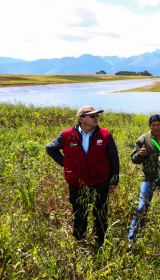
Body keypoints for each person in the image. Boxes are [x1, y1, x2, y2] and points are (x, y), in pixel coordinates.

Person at [45, 106, 120, 248]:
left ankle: (100, 243)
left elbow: (114, 158)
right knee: (79, 213)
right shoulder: (66, 135)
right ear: (80, 119)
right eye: (92, 116)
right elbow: (50, 148)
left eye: (96, 115)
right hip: (77, 182)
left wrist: (114, 179)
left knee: (101, 213)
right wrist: (66, 164)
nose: (95, 118)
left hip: (101, 181)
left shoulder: (105, 134)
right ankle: (80, 242)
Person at [128, 115, 160, 247]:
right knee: (142, 206)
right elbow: (134, 159)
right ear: (149, 126)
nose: (156, 127)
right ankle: (132, 239)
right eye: (153, 125)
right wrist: (141, 154)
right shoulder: (144, 138)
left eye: (158, 124)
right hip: (149, 178)